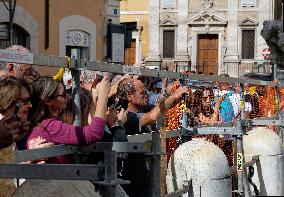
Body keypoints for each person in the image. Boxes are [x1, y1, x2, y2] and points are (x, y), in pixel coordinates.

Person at [117, 78, 188, 197]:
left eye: (146, 92)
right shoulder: (125, 116)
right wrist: (174, 96)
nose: (146, 95)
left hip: (144, 178)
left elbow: (161, 108)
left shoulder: (144, 108)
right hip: (130, 183)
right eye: (142, 93)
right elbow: (153, 115)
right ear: (130, 96)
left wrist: (177, 97)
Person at [26, 76, 110, 163]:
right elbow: (93, 134)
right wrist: (103, 96)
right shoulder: (49, 126)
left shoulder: (43, 124)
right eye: (62, 95)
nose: (66, 97)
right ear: (48, 101)